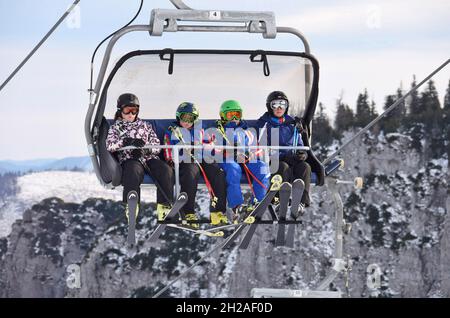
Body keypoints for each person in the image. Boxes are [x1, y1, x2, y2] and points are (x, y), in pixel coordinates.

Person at [106, 93, 174, 221]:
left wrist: (146, 150)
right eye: (127, 110)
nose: (131, 114)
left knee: (165, 170)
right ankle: (131, 204)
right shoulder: (115, 128)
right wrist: (126, 142)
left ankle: (164, 206)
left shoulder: (145, 126)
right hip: (129, 159)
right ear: (120, 110)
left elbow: (156, 144)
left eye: (134, 110)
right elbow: (110, 145)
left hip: (147, 158)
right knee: (133, 171)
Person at [163, 102, 228, 227]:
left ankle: (218, 211)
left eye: (190, 118)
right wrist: (172, 159)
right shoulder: (172, 131)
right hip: (184, 160)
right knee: (191, 173)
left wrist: (209, 149)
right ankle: (188, 212)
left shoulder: (201, 131)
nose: (187, 122)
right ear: (178, 118)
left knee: (218, 173)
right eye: (184, 118)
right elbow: (167, 148)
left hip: (202, 158)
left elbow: (210, 146)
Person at [214, 100, 270, 221]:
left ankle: (255, 203)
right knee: (234, 169)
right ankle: (236, 206)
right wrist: (227, 151)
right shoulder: (219, 131)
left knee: (262, 167)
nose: (234, 118)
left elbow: (257, 149)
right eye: (230, 115)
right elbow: (213, 150)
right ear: (223, 116)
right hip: (228, 160)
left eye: (237, 114)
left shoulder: (247, 132)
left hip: (245, 160)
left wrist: (250, 154)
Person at [256, 91, 311, 214]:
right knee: (282, 166)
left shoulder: (292, 123)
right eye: (275, 105)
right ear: (269, 107)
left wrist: (302, 154)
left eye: (282, 104)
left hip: (292, 159)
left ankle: (300, 203)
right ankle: (278, 201)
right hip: (273, 162)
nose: (279, 108)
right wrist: (284, 156)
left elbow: (300, 145)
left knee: (305, 167)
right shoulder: (264, 124)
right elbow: (261, 147)